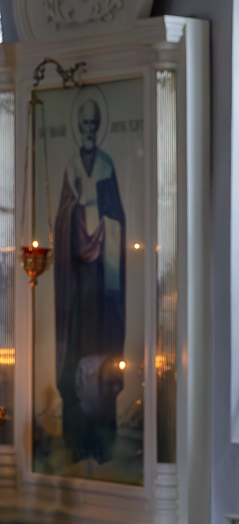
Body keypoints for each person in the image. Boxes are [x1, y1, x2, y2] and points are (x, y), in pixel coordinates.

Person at [53, 97, 126, 465]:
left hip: (102, 278)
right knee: (77, 351)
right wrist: (76, 213)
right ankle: (76, 439)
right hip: (78, 280)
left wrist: (104, 226)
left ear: (98, 127)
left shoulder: (107, 166)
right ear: (78, 128)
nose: (88, 131)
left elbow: (118, 215)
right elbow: (61, 219)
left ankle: (101, 442)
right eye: (83, 125)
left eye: (93, 125)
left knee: (103, 353)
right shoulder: (70, 168)